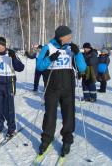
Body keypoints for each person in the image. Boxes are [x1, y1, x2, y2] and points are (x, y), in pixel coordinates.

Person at [36, 26, 86, 157]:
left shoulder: (71, 48)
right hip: (52, 88)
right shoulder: (48, 48)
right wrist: (50, 58)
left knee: (69, 115)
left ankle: (67, 141)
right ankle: (46, 140)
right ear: (60, 37)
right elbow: (39, 66)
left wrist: (78, 54)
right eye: (68, 36)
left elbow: (82, 68)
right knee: (50, 115)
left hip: (68, 88)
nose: (70, 38)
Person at [0, 37, 24, 138]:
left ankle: (11, 128)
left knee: (9, 107)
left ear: (4, 45)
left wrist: (14, 58)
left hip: (9, 82)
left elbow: (20, 68)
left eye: (0, 44)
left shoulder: (11, 54)